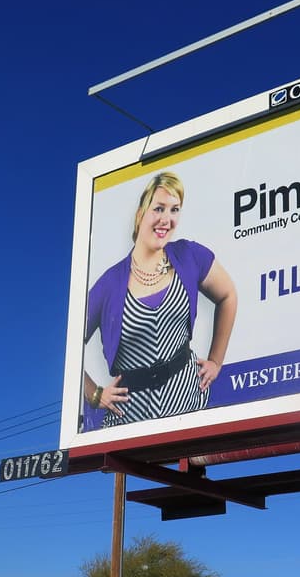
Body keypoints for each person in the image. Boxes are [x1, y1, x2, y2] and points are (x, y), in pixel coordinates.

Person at [82, 171, 237, 427]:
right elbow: (70, 350)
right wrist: (94, 393)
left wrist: (216, 360)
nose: (166, 219)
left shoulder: (189, 255)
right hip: (131, 416)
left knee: (195, 466)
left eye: (174, 210)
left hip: (188, 398)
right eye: (159, 208)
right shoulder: (109, 283)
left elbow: (228, 295)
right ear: (141, 213)